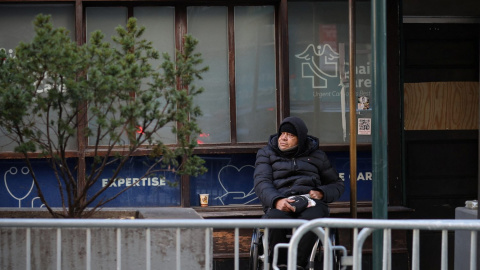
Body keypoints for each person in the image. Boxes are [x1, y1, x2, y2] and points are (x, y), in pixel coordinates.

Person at [254, 116, 345, 269]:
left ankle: (298, 265)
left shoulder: (317, 155)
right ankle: (282, 264)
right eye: (282, 133)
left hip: (310, 201)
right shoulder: (266, 154)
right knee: (275, 219)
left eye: (289, 135)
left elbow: (337, 184)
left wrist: (321, 193)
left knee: (314, 220)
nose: (283, 138)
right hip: (281, 200)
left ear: (300, 138)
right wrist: (276, 201)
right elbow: (262, 182)